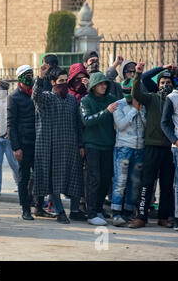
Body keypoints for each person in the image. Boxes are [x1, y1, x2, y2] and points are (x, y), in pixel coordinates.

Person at [32, 65, 86, 224]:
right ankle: (60, 211)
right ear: (53, 82)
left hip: (70, 146)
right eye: (60, 81)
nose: (63, 83)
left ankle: (75, 211)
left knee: (75, 178)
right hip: (51, 147)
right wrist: (40, 78)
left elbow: (77, 123)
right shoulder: (46, 98)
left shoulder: (71, 99)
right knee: (54, 180)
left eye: (65, 80)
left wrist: (81, 144)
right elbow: (36, 95)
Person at [129, 63, 175, 229]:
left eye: (168, 83)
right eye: (162, 82)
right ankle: (141, 216)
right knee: (146, 183)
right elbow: (136, 92)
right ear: (158, 84)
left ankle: (163, 217)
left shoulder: (175, 100)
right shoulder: (152, 98)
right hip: (151, 146)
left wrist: (174, 71)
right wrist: (138, 74)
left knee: (167, 184)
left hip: (170, 147)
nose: (165, 85)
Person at [8, 65, 52, 220]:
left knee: (40, 176)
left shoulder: (36, 93)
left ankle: (39, 207)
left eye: (31, 74)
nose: (29, 77)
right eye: (26, 75)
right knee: (24, 177)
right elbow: (11, 124)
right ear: (20, 77)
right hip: (24, 144)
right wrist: (16, 147)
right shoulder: (14, 97)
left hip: (39, 142)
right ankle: (25, 209)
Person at [80, 72, 117, 226]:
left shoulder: (112, 100)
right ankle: (91, 213)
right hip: (92, 145)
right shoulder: (86, 100)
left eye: (105, 84)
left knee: (106, 179)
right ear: (93, 86)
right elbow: (87, 120)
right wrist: (106, 111)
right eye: (100, 84)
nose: (104, 86)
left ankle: (99, 209)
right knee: (93, 179)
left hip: (109, 145)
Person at [111, 78, 146, 226]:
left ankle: (128, 211)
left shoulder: (143, 105)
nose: (128, 94)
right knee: (120, 181)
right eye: (125, 91)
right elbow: (121, 125)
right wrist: (134, 110)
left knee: (135, 182)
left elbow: (147, 125)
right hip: (123, 147)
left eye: (130, 91)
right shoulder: (119, 105)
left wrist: (140, 111)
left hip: (139, 148)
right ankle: (116, 213)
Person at [0, 80, 19, 199]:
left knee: (13, 163)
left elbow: (14, 119)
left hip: (8, 138)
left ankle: (20, 184)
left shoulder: (11, 101)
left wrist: (11, 132)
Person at [160, 76, 178, 231]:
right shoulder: (172, 98)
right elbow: (164, 123)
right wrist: (175, 140)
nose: (166, 85)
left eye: (168, 82)